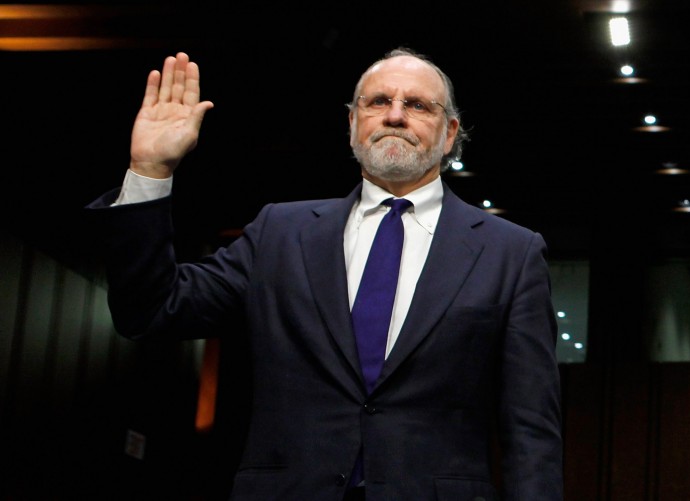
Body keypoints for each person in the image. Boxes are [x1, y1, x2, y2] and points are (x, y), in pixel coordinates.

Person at [86, 47, 563, 500]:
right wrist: (149, 170)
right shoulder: (280, 231)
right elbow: (151, 310)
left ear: (450, 133)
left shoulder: (511, 253)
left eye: (418, 105)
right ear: (353, 123)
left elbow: (531, 429)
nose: (395, 115)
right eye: (378, 102)